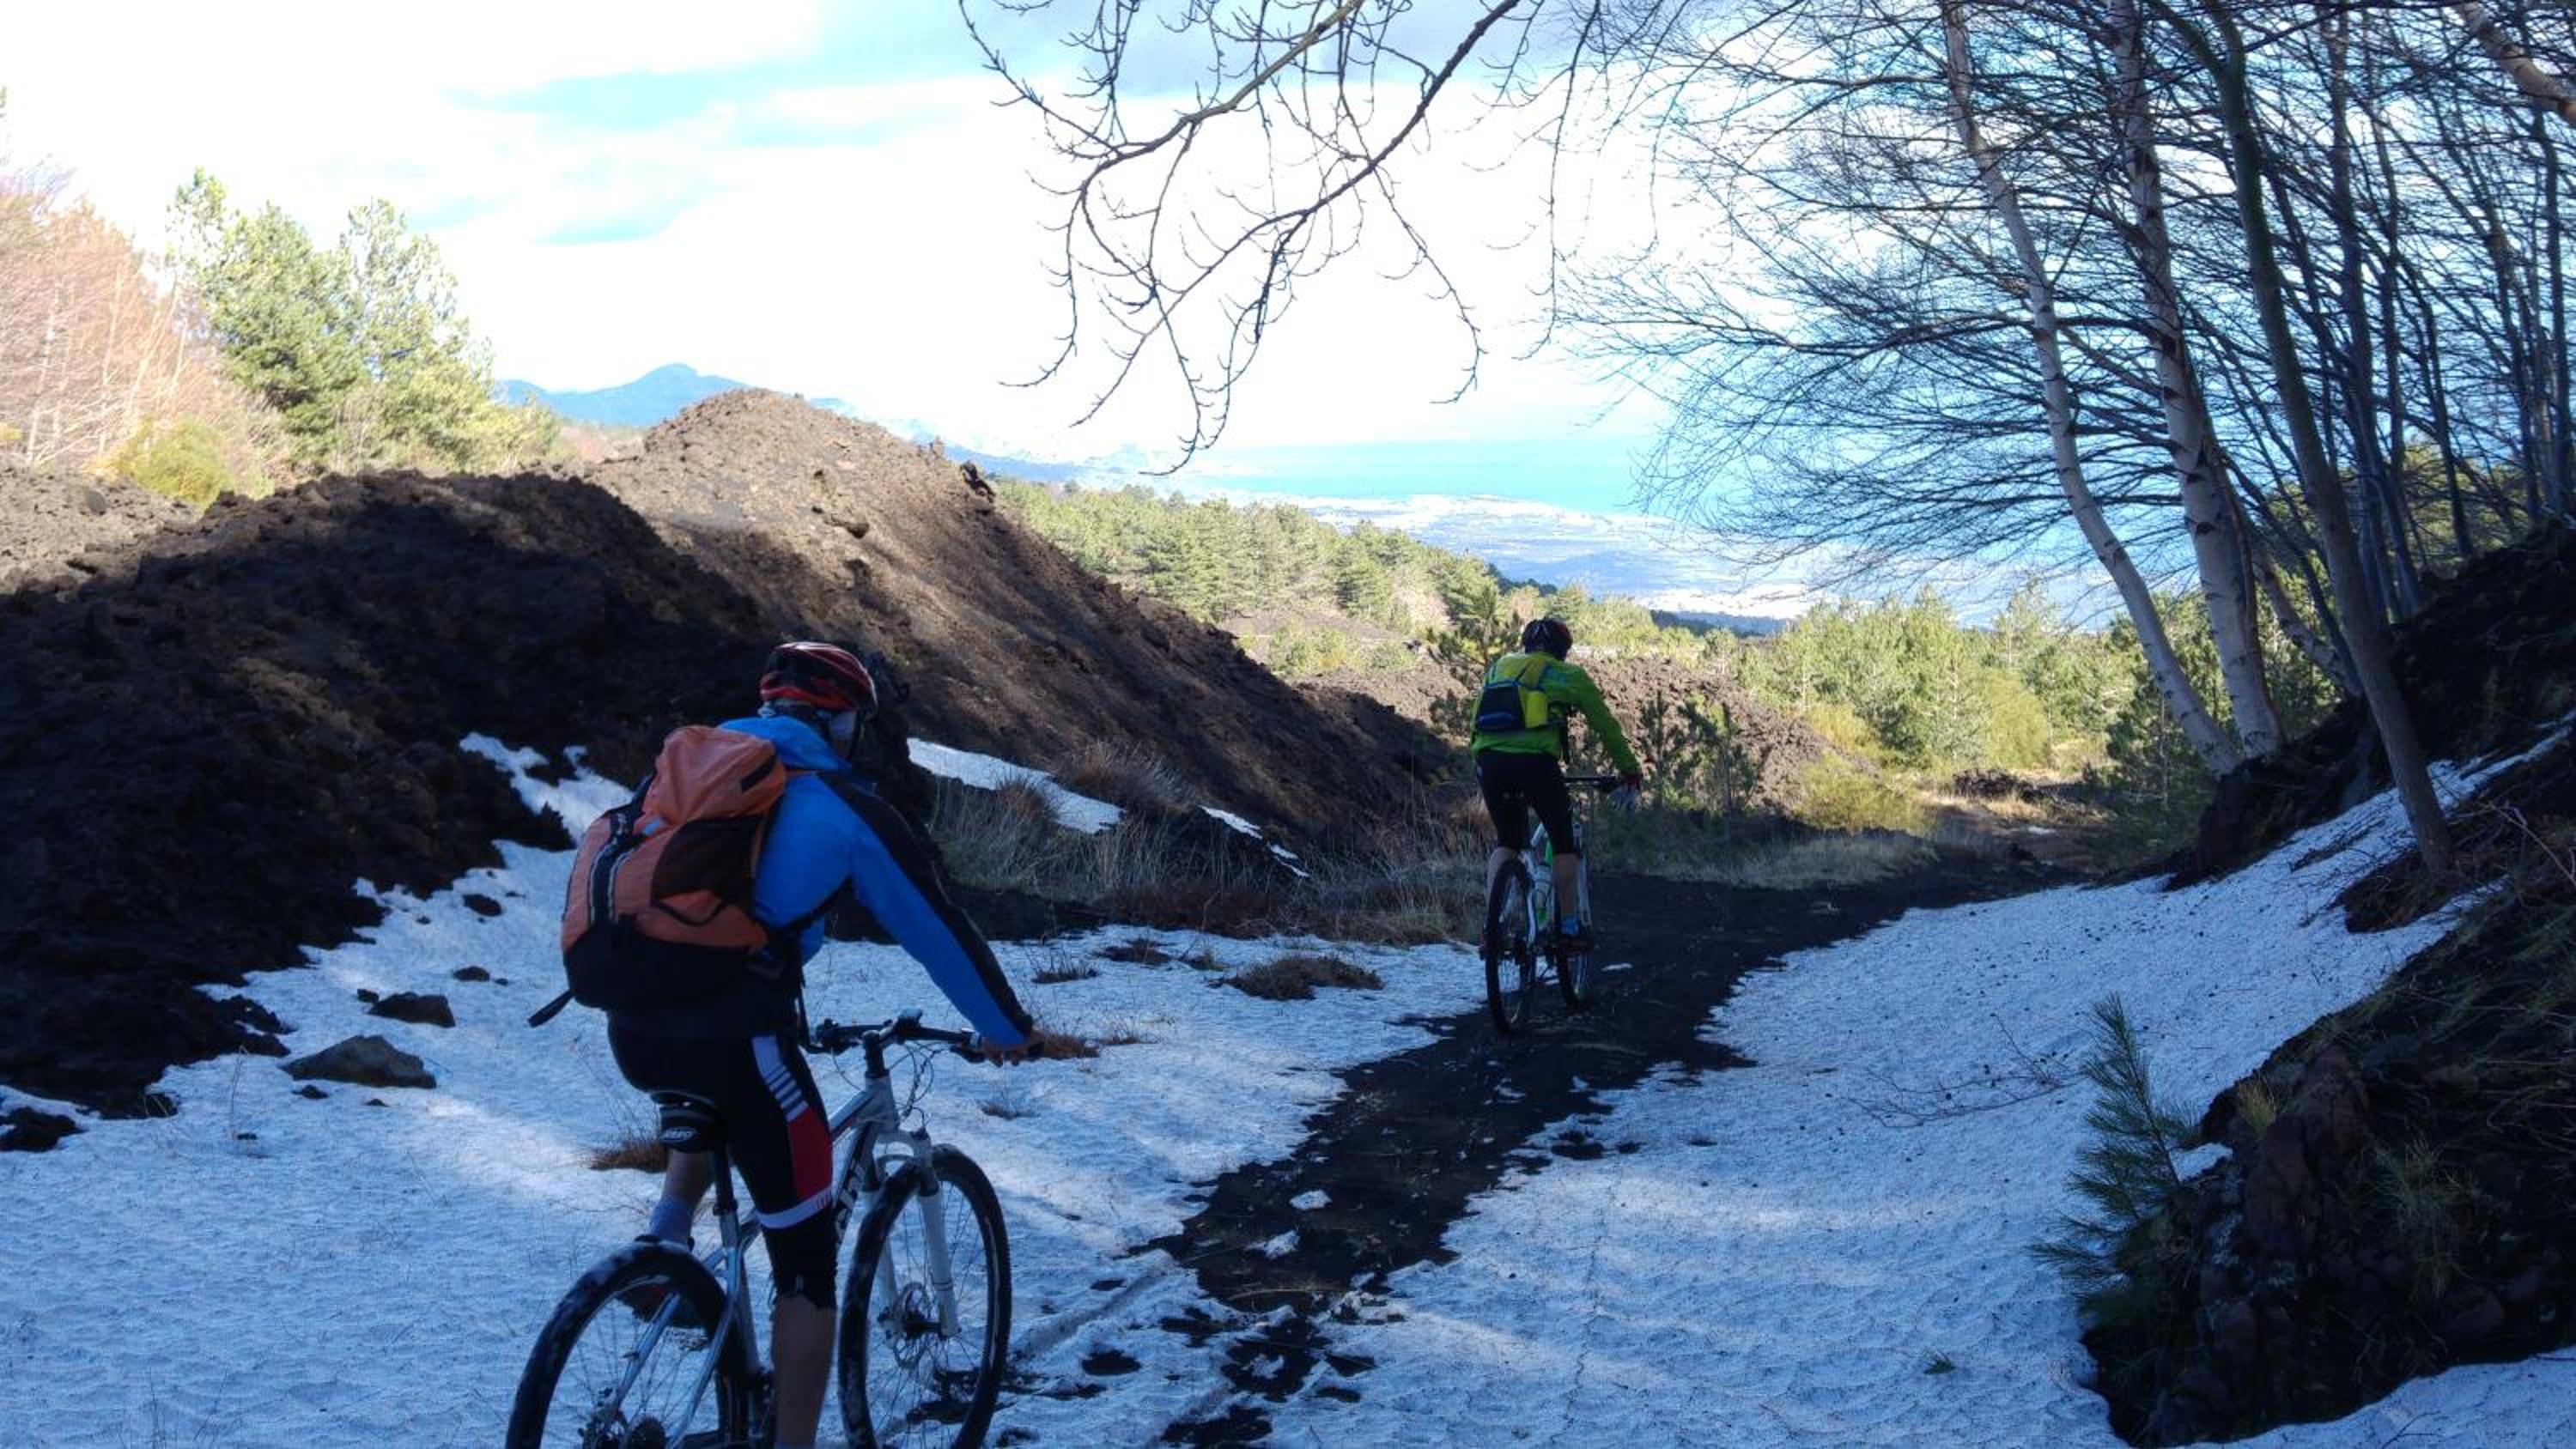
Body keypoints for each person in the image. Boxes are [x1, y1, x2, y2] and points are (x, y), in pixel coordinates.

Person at [607, 640, 1036, 1449]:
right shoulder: (841, 806)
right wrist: (1006, 1031)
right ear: (841, 723)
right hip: (736, 1037)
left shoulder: (686, 768)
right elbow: (936, 928)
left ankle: (666, 1237)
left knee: (714, 1096)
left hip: (632, 1022)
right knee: (806, 1272)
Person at [1469, 617, 1643, 951]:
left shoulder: (1500, 667)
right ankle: (1568, 928)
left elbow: (1476, 722)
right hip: (1536, 765)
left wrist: (1484, 762)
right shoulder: (1569, 676)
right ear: (1563, 650)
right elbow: (1606, 727)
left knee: (1507, 842)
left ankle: (1492, 926)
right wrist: (1629, 771)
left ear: (1526, 644)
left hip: (1489, 762)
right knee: (1564, 845)